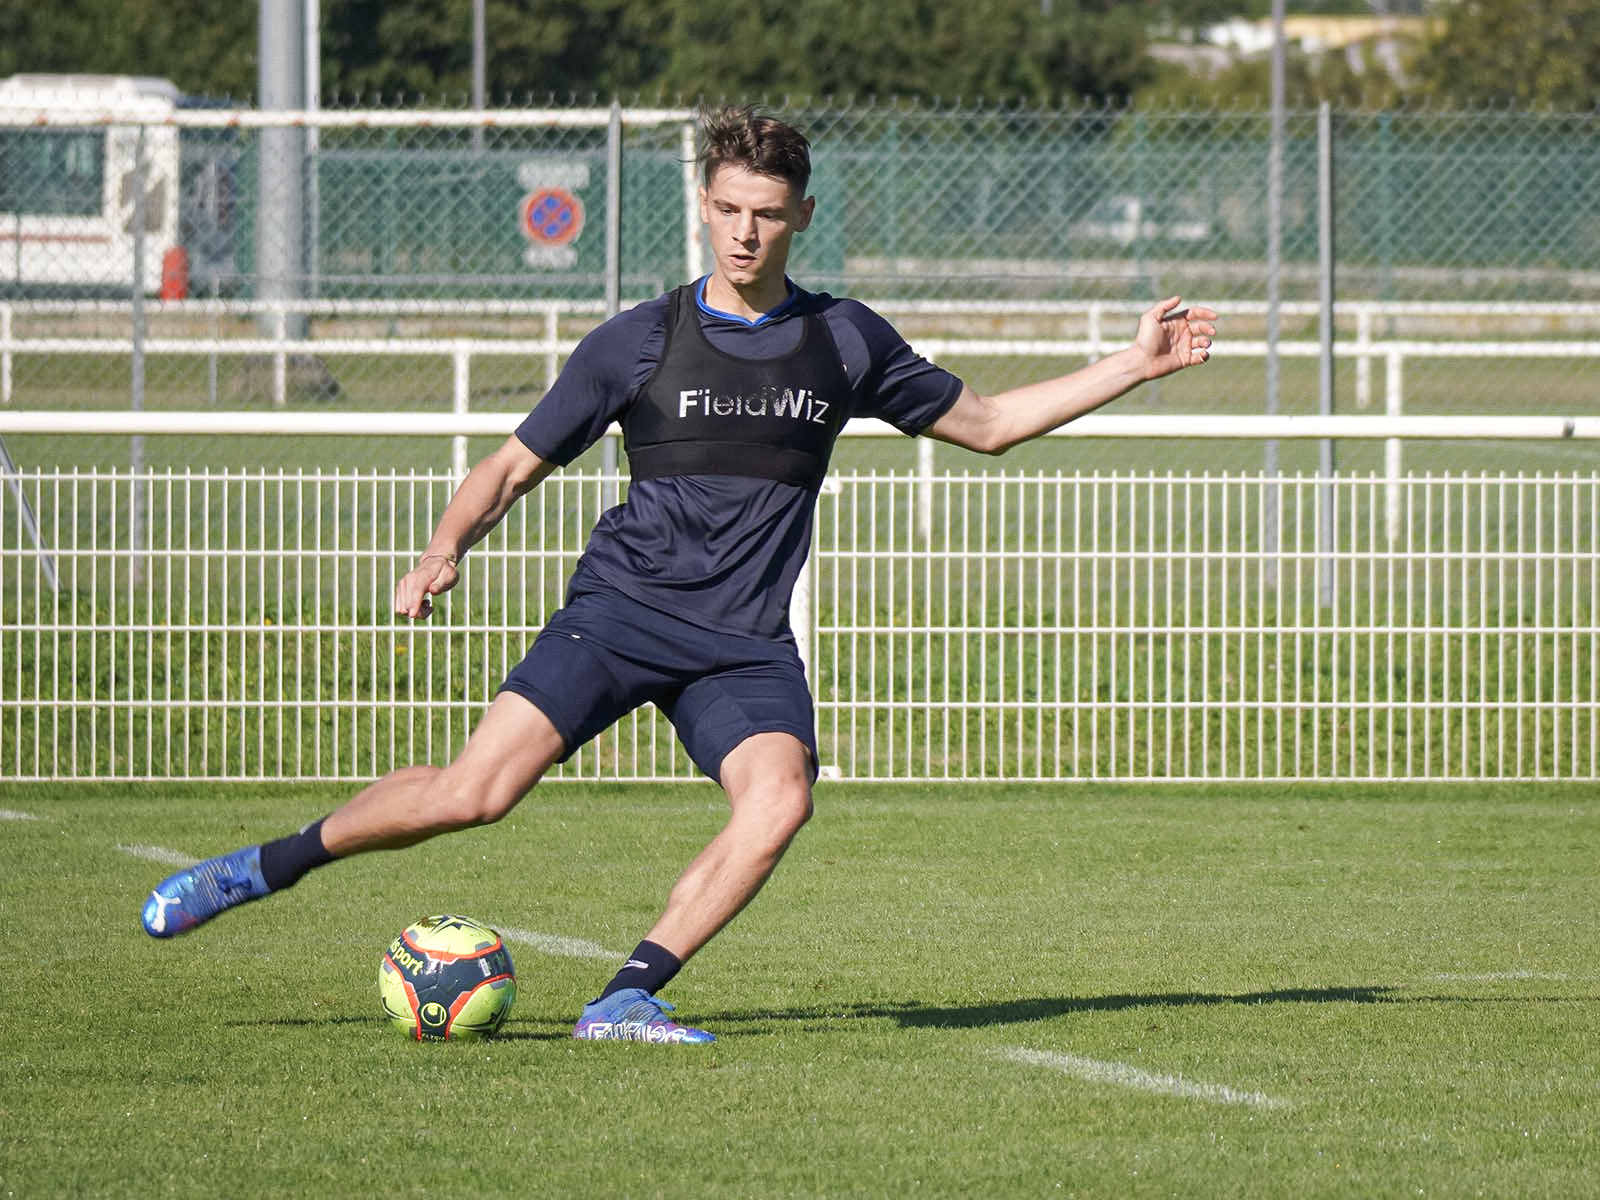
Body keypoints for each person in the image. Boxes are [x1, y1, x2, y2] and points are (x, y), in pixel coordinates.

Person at [139, 107, 1217, 1045]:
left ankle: (626, 996)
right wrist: (443, 546)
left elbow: (986, 425)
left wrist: (1137, 362)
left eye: (769, 213)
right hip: (620, 615)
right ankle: (260, 867)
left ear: (799, 217)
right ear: (704, 205)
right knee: (475, 794)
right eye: (731, 208)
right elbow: (515, 462)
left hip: (742, 642)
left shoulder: (844, 340)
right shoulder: (639, 339)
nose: (748, 231)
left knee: (779, 799)